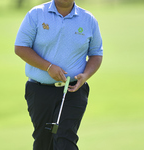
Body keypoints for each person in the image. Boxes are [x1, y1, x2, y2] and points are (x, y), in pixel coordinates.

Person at [14, 0, 103, 149]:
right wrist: (48, 67)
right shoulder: (36, 14)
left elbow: (96, 54)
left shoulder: (88, 19)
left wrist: (86, 74)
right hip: (39, 90)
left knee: (65, 140)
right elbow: (21, 47)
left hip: (73, 90)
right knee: (44, 141)